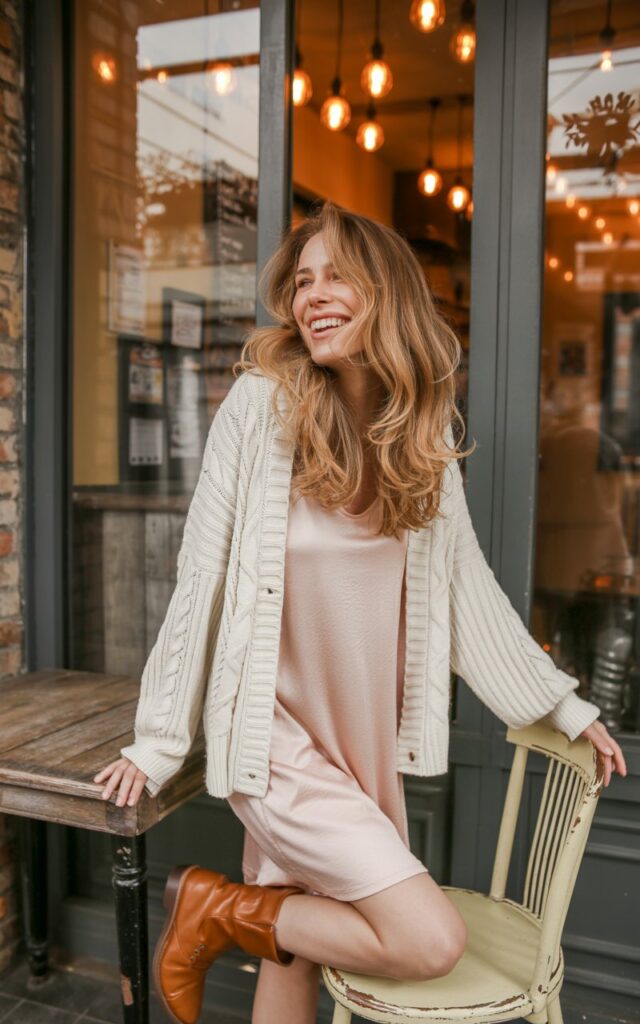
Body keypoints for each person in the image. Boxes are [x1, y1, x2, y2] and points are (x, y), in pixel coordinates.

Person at [94, 202, 627, 1024]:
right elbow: (200, 573)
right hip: (272, 740)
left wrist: (557, 701)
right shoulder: (260, 408)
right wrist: (160, 738)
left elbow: (466, 589)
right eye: (302, 282)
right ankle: (214, 908)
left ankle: (237, 911)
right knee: (428, 940)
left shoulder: (421, 433)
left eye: (338, 274)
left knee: (301, 950)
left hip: (360, 734)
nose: (314, 295)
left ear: (389, 293)